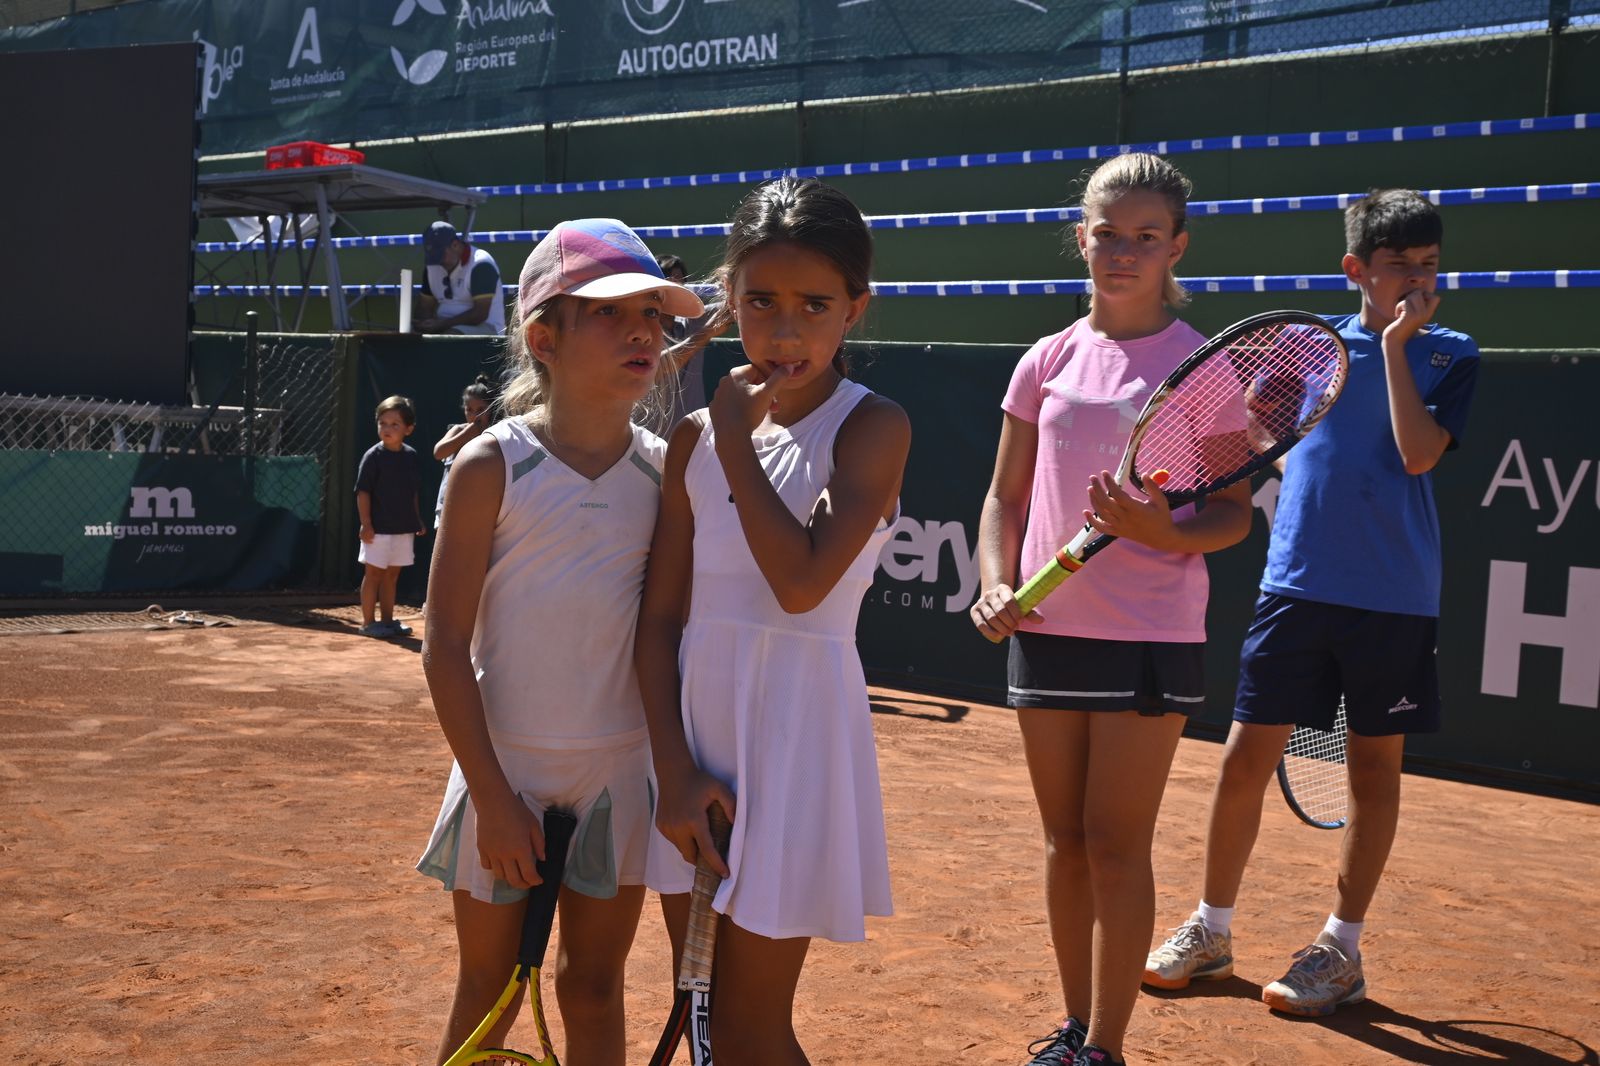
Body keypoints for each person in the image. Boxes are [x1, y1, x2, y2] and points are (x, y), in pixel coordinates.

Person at [1143, 189, 1479, 1018]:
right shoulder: (1302, 358)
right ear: (1356, 269)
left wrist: (1396, 350)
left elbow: (1415, 454)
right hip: (1295, 587)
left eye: (1429, 265)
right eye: (1399, 266)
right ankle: (1211, 928)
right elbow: (1255, 451)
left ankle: (1341, 949)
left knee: (1373, 771)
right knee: (1241, 758)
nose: (1417, 280)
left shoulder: (1450, 353)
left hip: (1394, 598)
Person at [968, 153, 1252, 1066]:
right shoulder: (1044, 358)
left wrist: (1157, 529)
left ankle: (1107, 1050)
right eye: (1106, 234)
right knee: (1065, 843)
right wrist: (993, 582)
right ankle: (1077, 1027)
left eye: (1144, 238)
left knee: (1116, 844)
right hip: (1048, 633)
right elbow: (1004, 498)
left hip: (1148, 639)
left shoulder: (1203, 369)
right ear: (1080, 237)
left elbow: (1230, 517)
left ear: (1177, 248)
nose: (1121, 252)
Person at [416, 218, 703, 1065]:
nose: (644, 330)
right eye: (612, 313)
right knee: (485, 994)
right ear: (544, 337)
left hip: (620, 775)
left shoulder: (666, 470)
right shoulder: (489, 466)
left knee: (594, 987)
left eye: (652, 313)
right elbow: (442, 646)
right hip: (501, 771)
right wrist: (494, 793)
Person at [638, 177, 911, 1066]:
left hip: (795, 744)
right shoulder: (691, 441)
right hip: (692, 751)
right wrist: (673, 772)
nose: (785, 330)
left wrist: (732, 438)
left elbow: (799, 584)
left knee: (753, 1032)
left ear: (855, 310)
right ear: (729, 300)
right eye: (760, 301)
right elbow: (660, 622)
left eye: (814, 305)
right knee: (710, 1014)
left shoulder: (873, 427)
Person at [356, 395, 426, 638]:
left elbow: (412, 493)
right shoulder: (372, 457)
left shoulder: (411, 456)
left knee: (392, 576)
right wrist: (366, 524)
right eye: (382, 423)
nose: (387, 428)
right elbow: (363, 492)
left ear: (409, 429)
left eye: (394, 424)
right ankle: (368, 623)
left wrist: (416, 519)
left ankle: (387, 621)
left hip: (403, 528)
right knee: (373, 574)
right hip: (377, 530)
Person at [649, 251, 728, 434]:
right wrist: (707, 332)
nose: (676, 283)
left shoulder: (693, 320)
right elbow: (661, 366)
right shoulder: (642, 327)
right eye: (669, 277)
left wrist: (730, 282)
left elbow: (730, 306)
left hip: (694, 434)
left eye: (679, 278)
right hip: (653, 434)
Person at [415, 220, 506, 336]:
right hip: (444, 328)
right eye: (432, 256)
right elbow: (424, 306)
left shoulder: (481, 264)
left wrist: (440, 325)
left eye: (440, 255)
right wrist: (422, 324)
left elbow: (480, 314)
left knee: (450, 337)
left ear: (455, 245)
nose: (438, 262)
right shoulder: (432, 266)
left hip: (488, 329)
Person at [431, 373, 497, 529]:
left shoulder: (495, 433)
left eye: (480, 409)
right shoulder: (458, 430)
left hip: (481, 502)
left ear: (490, 409)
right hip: (452, 501)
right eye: (469, 410)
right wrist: (465, 435)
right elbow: (438, 452)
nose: (474, 415)